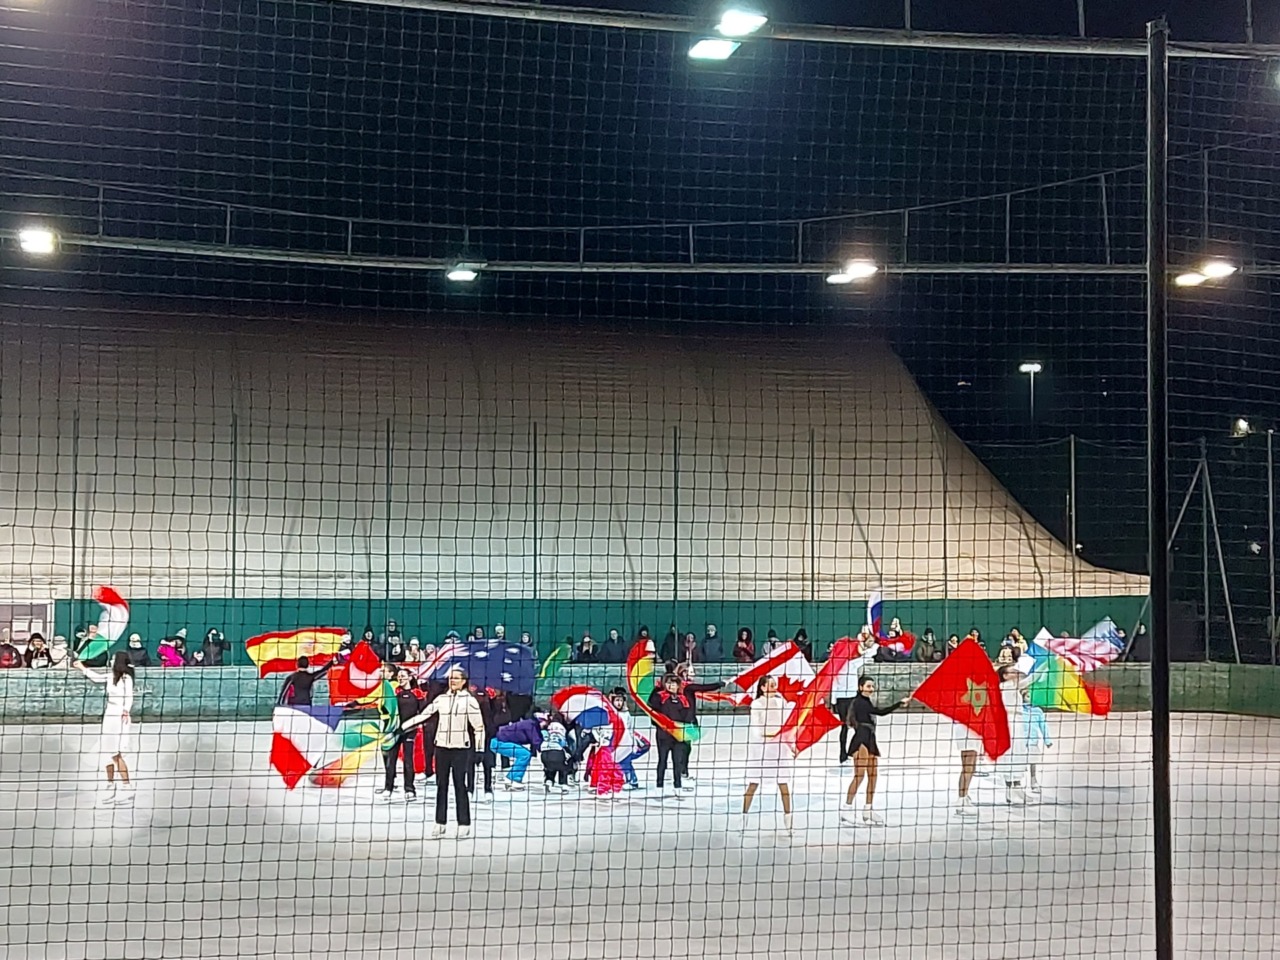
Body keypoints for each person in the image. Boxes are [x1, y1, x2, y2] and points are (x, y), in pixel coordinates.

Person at [408, 666, 485, 839]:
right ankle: (440, 823)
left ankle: (464, 824)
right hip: (441, 747)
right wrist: (403, 727)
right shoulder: (441, 699)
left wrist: (480, 748)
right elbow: (424, 714)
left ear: (464, 681)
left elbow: (479, 727)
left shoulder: (469, 701)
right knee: (441, 786)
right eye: (451, 678)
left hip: (460, 749)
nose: (453, 681)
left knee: (460, 786)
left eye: (456, 678)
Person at [839, 677, 909, 826]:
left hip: (870, 739)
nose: (871, 688)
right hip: (861, 741)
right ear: (860, 687)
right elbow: (880, 712)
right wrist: (899, 703)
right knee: (859, 776)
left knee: (873, 775)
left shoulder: (866, 701)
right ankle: (847, 809)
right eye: (868, 686)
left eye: (872, 686)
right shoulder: (859, 703)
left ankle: (868, 808)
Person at [75, 651, 136, 807]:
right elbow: (96, 678)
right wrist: (82, 667)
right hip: (109, 715)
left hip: (119, 716)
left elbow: (129, 696)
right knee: (105, 751)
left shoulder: (126, 678)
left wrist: (126, 710)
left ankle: (127, 787)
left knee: (116, 753)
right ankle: (110, 785)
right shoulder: (110, 677)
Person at [742, 675, 794, 837]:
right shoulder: (756, 704)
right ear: (763, 687)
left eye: (775, 684)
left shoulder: (781, 702)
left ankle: (788, 820)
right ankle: (743, 818)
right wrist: (768, 735)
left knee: (784, 784)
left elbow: (788, 724)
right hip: (762, 749)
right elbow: (755, 728)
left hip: (779, 749)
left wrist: (791, 744)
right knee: (753, 784)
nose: (774, 687)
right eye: (770, 685)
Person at [997, 663, 1043, 805]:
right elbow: (1031, 678)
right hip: (1010, 722)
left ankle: (1014, 789)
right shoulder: (1007, 686)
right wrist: (1046, 663)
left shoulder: (1008, 687)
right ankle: (1013, 789)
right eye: (1012, 672)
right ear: (1005, 676)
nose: (1016, 673)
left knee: (1016, 754)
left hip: (1014, 721)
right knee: (1013, 754)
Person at [375, 667, 420, 802]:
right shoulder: (394, 692)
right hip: (394, 731)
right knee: (391, 760)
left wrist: (410, 726)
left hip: (409, 730)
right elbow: (386, 707)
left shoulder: (417, 693)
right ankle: (388, 788)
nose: (400, 678)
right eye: (399, 676)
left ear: (409, 678)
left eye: (403, 676)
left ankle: (409, 789)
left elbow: (422, 713)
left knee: (408, 760)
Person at [672, 662, 723, 784]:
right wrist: (719, 684)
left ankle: (683, 770)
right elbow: (704, 688)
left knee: (686, 747)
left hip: (687, 720)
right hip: (683, 721)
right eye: (690, 672)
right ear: (683, 673)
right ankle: (681, 770)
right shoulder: (687, 687)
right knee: (683, 747)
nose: (693, 675)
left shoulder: (684, 686)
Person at [833, 632, 877, 764]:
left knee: (845, 727)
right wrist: (875, 645)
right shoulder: (851, 664)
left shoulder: (836, 665)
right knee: (858, 726)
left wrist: (833, 701)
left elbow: (833, 683)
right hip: (850, 699)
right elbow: (868, 655)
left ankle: (845, 754)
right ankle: (851, 753)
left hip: (842, 699)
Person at [647, 674, 693, 798]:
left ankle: (677, 786)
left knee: (677, 761)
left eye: (673, 683)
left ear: (678, 685)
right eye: (668, 683)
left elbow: (688, 715)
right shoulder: (660, 697)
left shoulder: (683, 699)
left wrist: (685, 730)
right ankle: (659, 786)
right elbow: (651, 706)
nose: (670, 685)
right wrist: (656, 688)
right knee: (662, 760)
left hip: (678, 736)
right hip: (663, 736)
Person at [492, 713, 544, 790]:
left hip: (499, 741)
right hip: (498, 742)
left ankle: (512, 778)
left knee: (524, 753)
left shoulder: (533, 725)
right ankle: (513, 779)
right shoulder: (531, 726)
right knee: (524, 754)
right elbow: (536, 741)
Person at [466, 686, 499, 804]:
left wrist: (493, 699)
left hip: (487, 736)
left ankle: (488, 789)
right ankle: (469, 789)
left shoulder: (490, 699)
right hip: (471, 736)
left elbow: (495, 713)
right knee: (470, 763)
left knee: (487, 764)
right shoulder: (469, 699)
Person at [540, 713, 572, 794]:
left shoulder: (547, 727)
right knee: (563, 767)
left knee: (550, 768)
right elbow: (564, 743)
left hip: (544, 753)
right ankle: (563, 785)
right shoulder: (562, 729)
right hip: (556, 751)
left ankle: (549, 781)